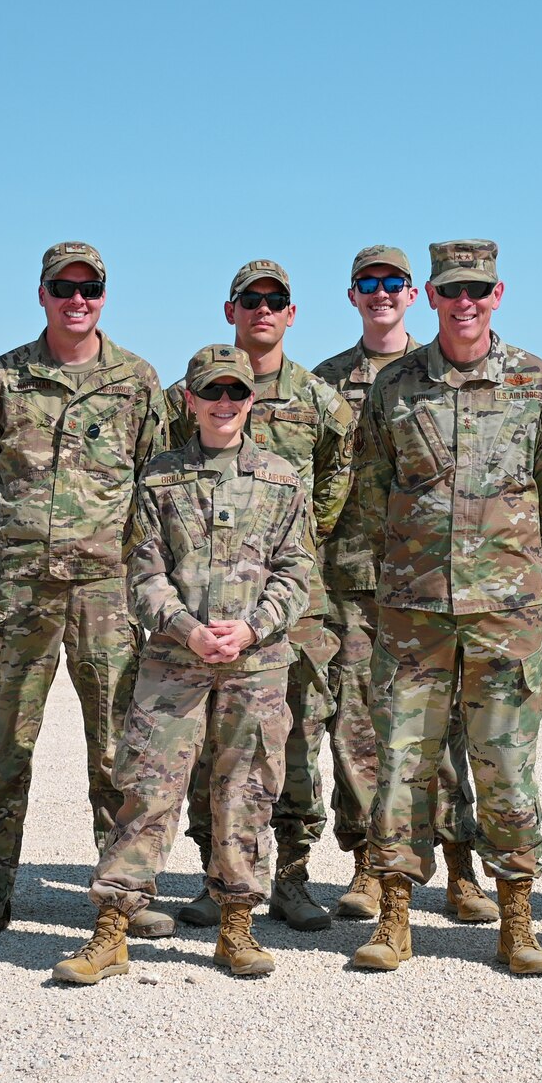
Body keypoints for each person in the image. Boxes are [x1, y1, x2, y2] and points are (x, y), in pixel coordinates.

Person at [349, 239, 542, 976]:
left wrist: (509, 577)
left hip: (504, 615)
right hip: (413, 614)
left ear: (498, 292)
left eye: (478, 288)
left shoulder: (536, 384)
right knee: (399, 763)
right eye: (452, 290)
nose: (466, 302)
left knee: (506, 764)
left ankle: (516, 919)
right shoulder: (396, 387)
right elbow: (372, 493)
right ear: (435, 297)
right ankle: (394, 917)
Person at [55, 346, 314, 984]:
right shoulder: (160, 479)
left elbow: (298, 571)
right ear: (192, 399)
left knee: (245, 793)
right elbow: (143, 573)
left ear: (251, 400)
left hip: (255, 666)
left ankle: (237, 928)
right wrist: (188, 629)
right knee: (147, 791)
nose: (225, 404)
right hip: (174, 663)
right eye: (212, 392)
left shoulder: (281, 480)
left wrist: (252, 627)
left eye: (236, 392)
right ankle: (112, 928)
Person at [0, 243, 169, 938]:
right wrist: (21, 545)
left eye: (90, 288)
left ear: (104, 294)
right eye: (63, 287)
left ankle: (123, 892)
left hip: (105, 590)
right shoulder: (5, 378)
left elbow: (152, 481)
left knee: (116, 749)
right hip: (21, 592)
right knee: (3, 744)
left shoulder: (135, 380)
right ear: (42, 293)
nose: (78, 299)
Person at [162, 259, 355, 934]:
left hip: (290, 603)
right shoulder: (184, 393)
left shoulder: (318, 397)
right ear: (231, 310)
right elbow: (163, 475)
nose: (263, 310)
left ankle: (292, 876)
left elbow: (339, 470)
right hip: (206, 604)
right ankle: (217, 877)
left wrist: (305, 529)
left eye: (276, 301)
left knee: (294, 739)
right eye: (251, 300)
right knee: (211, 742)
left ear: (293, 313)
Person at [312, 246, 492, 925]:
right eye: (369, 284)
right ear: (353, 295)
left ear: (414, 294)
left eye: (392, 283)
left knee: (441, 734)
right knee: (359, 732)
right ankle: (367, 863)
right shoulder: (325, 383)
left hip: (432, 585)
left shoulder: (435, 373)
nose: (381, 294)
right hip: (355, 583)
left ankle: (459, 867)